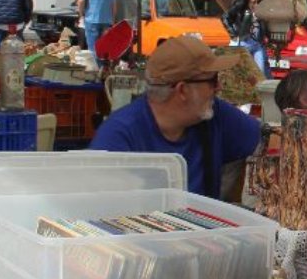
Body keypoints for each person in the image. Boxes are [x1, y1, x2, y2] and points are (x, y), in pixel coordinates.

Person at [90, 36, 261, 201]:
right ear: (182, 90)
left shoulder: (214, 115)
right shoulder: (118, 137)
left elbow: (271, 141)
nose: (218, 87)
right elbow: (102, 212)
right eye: (212, 80)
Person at [223, 0, 269, 76]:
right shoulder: (241, 6)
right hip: (244, 42)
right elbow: (225, 18)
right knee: (243, 72)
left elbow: (265, 24)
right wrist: (233, 34)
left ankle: (258, 89)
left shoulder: (262, 7)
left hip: (257, 43)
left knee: (260, 72)